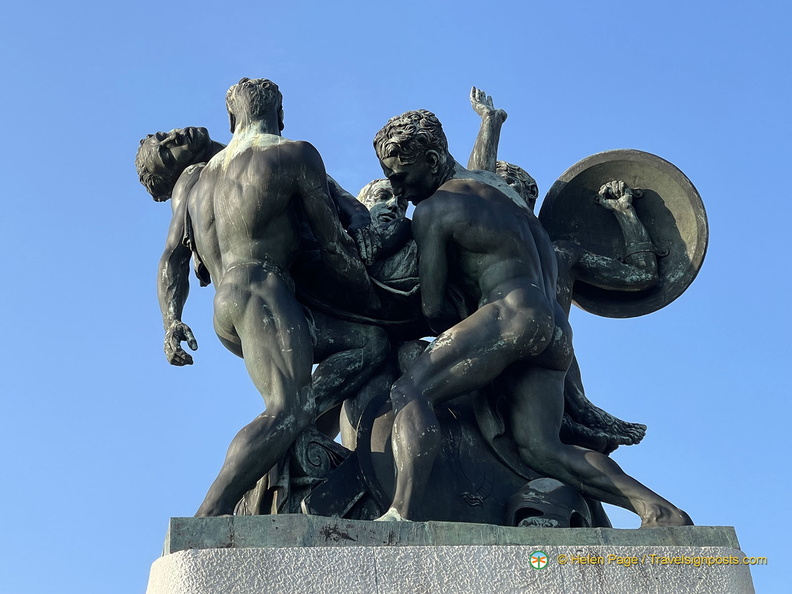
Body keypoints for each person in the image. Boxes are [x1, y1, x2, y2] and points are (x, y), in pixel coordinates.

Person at [372, 109, 692, 527]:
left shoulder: (435, 210)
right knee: (542, 448)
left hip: (509, 315)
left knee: (410, 392)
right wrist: (490, 122)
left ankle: (402, 513)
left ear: (432, 162)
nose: (396, 187)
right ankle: (660, 510)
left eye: (400, 175)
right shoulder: (504, 198)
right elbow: (480, 163)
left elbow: (432, 310)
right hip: (554, 332)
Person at [158, 77, 379, 516]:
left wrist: (171, 320)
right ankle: (211, 513)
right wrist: (374, 290)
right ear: (279, 114)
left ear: (231, 117)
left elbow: (172, 258)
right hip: (264, 288)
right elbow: (333, 243)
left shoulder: (194, 180)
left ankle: (290, 445)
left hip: (228, 303)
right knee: (286, 408)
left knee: (369, 344)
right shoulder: (292, 154)